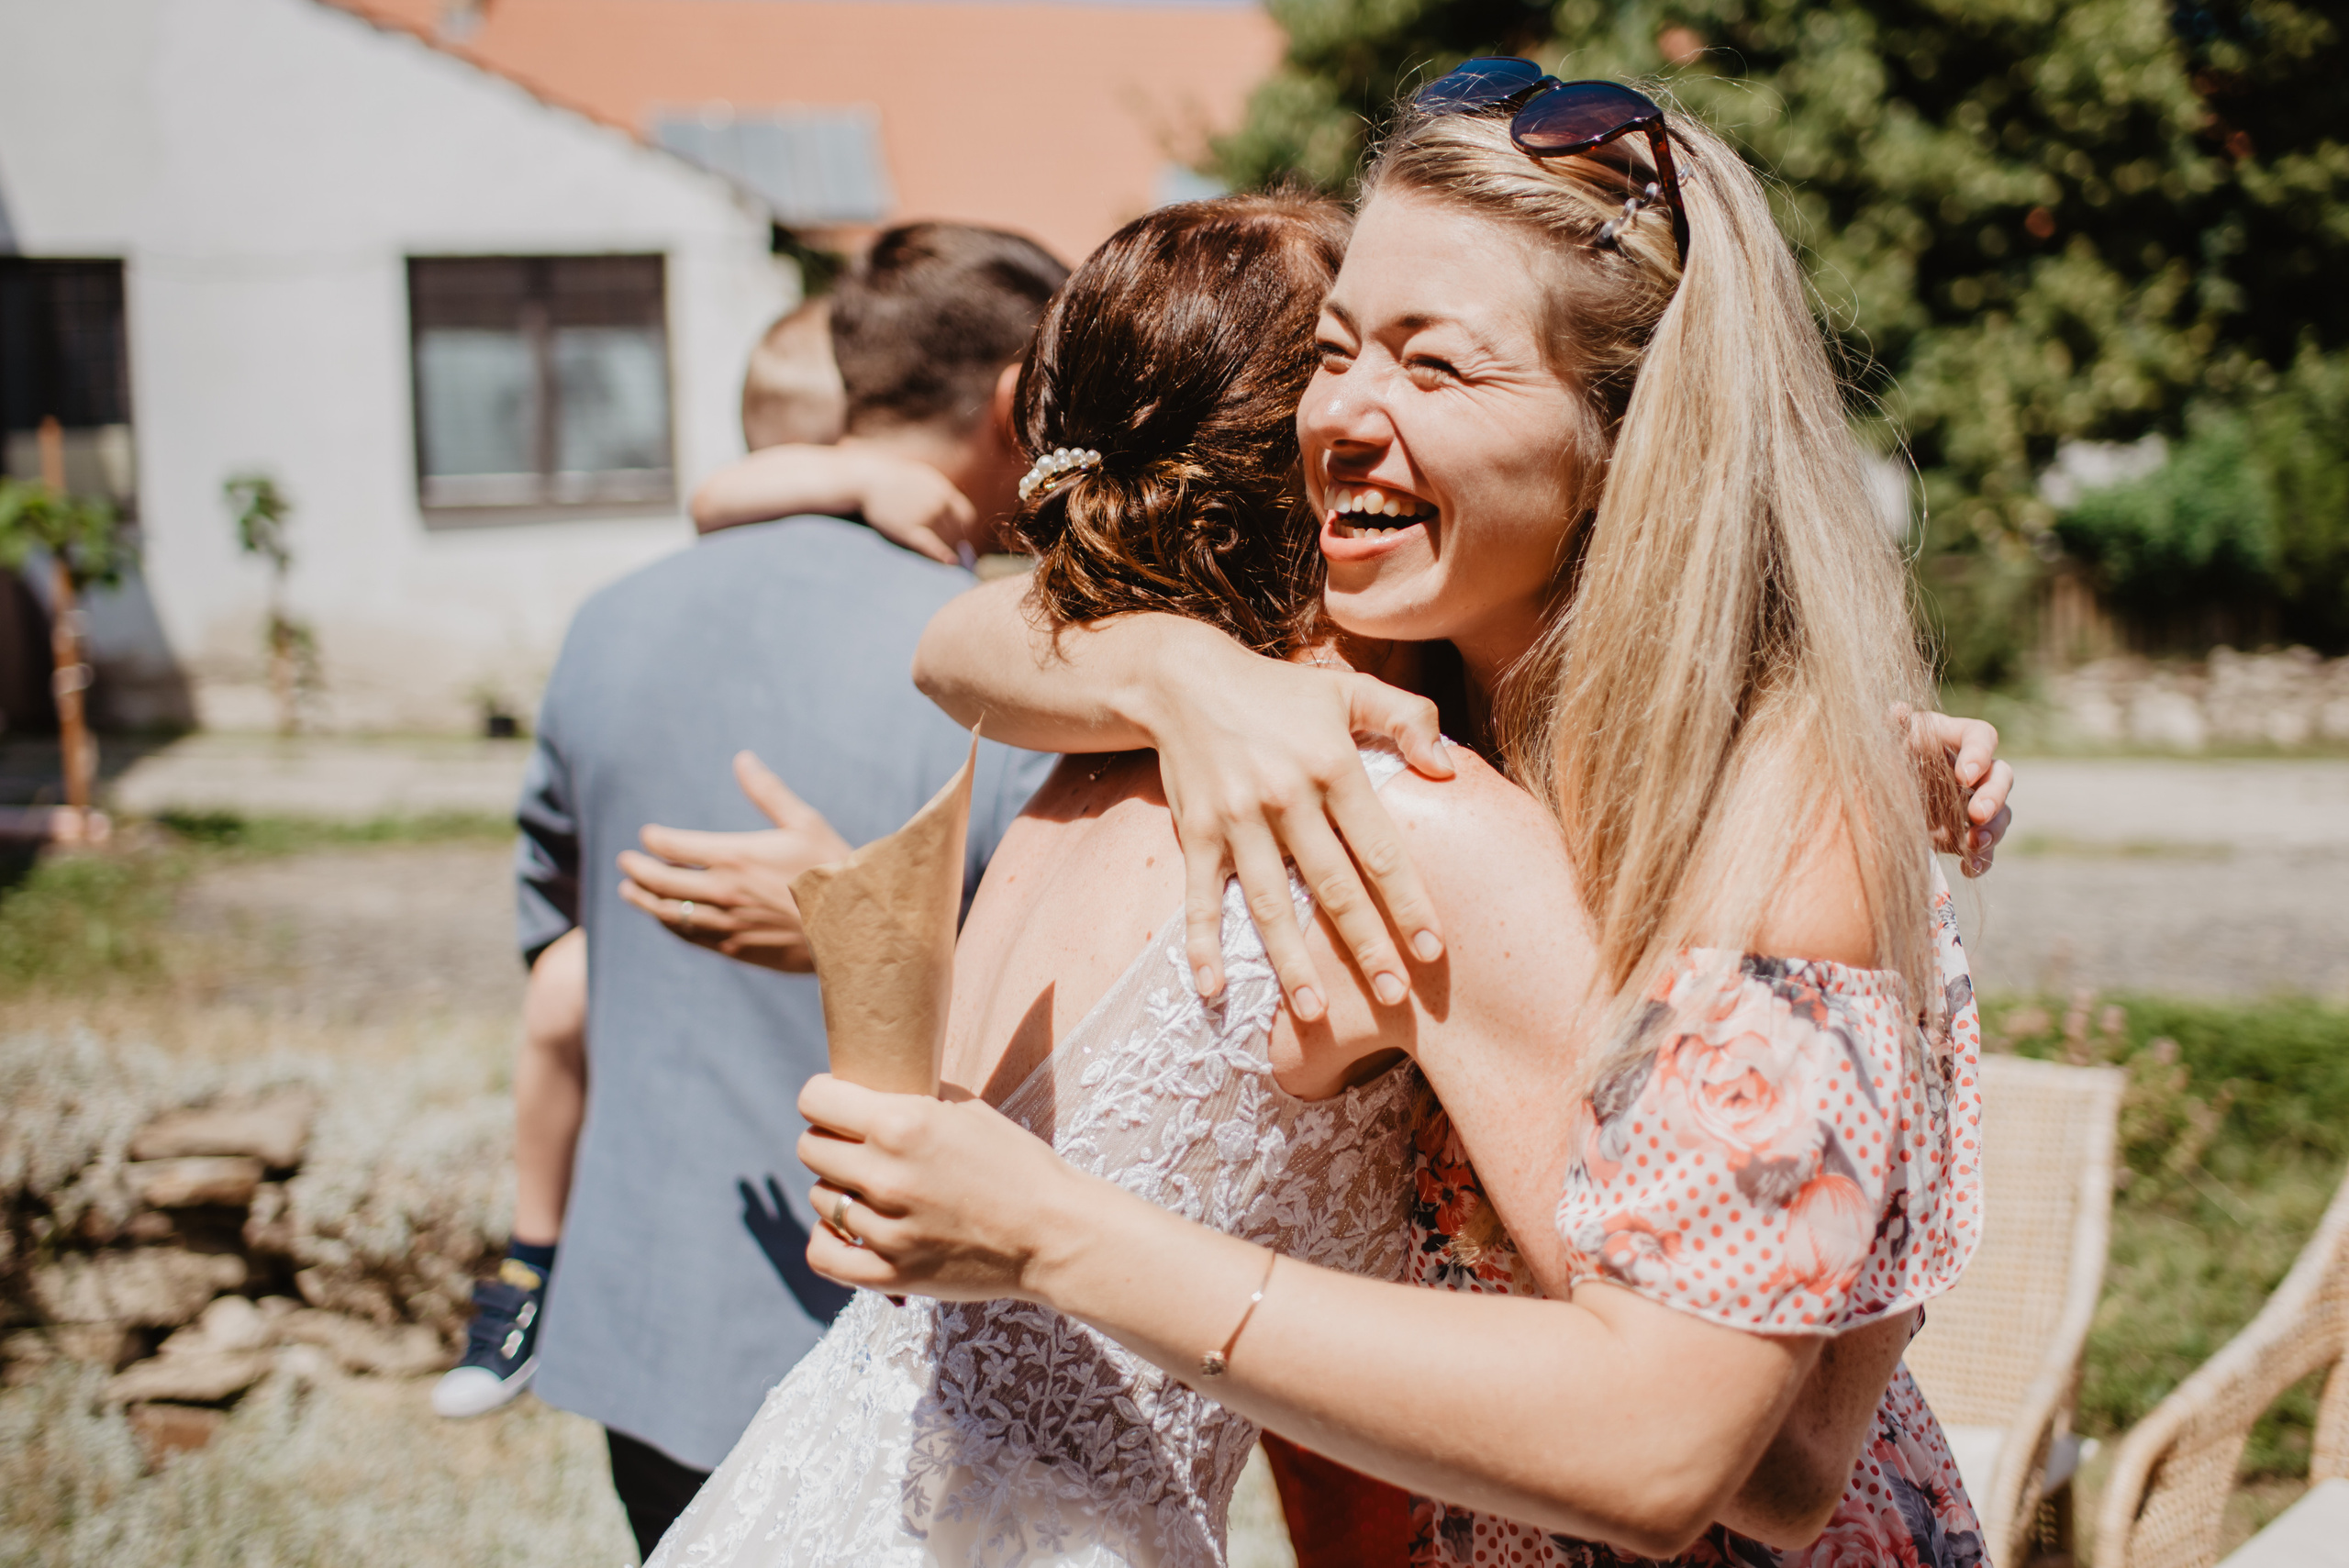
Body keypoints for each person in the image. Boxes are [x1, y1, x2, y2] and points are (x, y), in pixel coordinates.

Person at [780, 71, 2004, 1567]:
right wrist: (1176, 668)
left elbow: (1729, 1454)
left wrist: (1049, 1231)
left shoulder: (1779, 806)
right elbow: (970, 639)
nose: (1345, 414)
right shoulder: (1389, 696)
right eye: (1339, 350)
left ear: (1626, 431)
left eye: (1436, 367)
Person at [450, 221, 1066, 1559]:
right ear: (1023, 403)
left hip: (640, 1323)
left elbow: (554, 943)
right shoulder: (1019, 682)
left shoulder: (611, 618)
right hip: (871, 1362)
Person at [430, 292, 858, 1426]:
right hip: (844, 1277)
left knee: (565, 976)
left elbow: (549, 880)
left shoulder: (610, 617)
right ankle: (528, 1254)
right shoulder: (955, 620)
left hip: (657, 1294)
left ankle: (532, 1259)